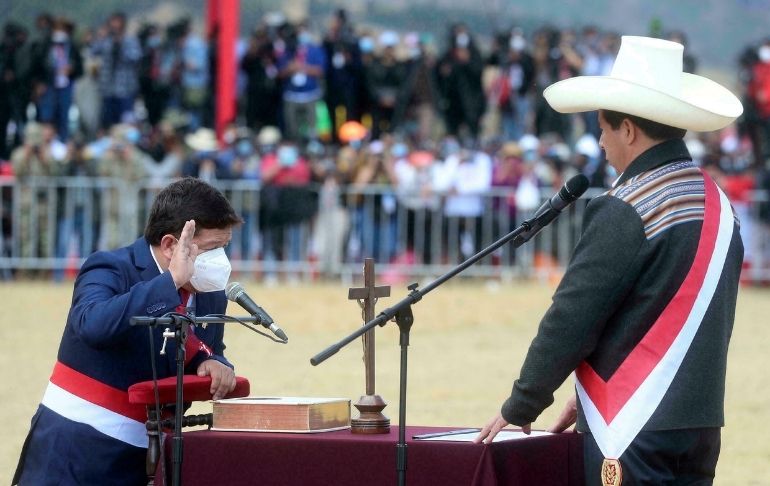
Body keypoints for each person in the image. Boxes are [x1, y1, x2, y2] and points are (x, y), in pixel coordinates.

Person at [475, 36, 744, 485]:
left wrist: (522, 403)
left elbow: (572, 317)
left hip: (632, 426)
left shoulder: (626, 205)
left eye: (603, 128)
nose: (599, 141)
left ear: (630, 131)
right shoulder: (719, 204)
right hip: (699, 423)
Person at [14, 178, 243, 485]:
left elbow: (203, 350)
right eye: (213, 248)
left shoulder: (211, 291)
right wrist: (169, 283)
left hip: (154, 453)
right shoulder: (110, 267)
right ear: (170, 245)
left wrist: (215, 364)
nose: (221, 261)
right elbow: (92, 325)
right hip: (77, 447)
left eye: (224, 247)